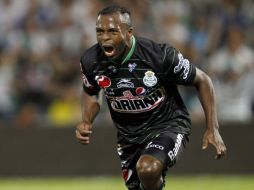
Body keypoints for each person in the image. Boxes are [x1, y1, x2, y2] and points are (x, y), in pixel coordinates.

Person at [76, 5, 227, 190]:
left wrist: (212, 128)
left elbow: (203, 80)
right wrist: (86, 121)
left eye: (112, 31)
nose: (104, 37)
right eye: (99, 31)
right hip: (128, 136)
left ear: (129, 32)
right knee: (141, 184)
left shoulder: (159, 56)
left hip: (167, 124)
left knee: (148, 168)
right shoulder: (91, 61)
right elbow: (91, 92)